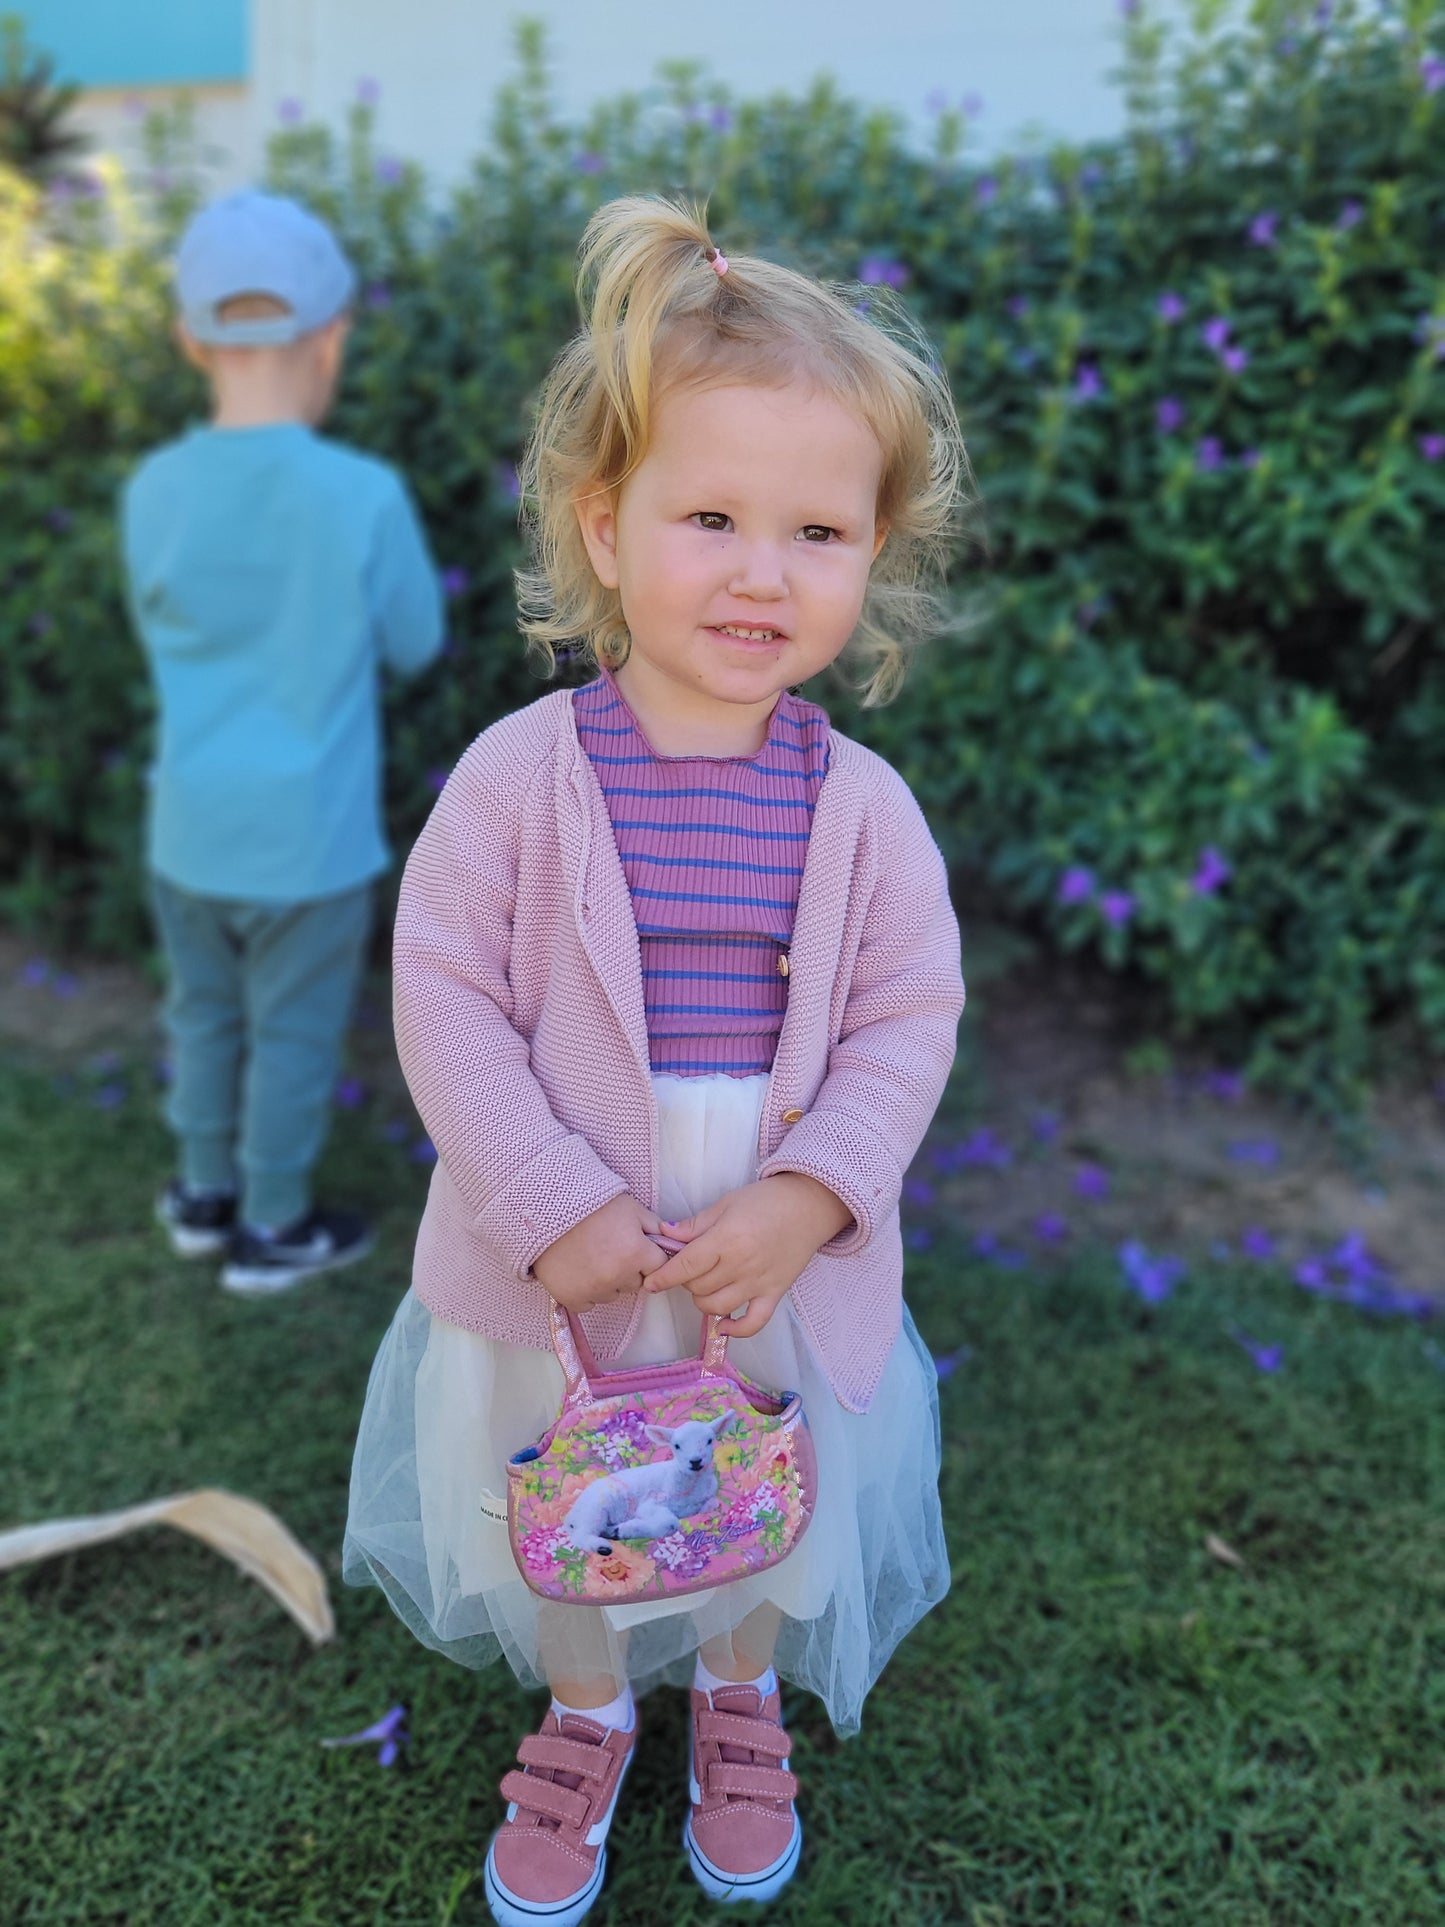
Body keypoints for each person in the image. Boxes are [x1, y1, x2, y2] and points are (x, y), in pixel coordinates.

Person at [344, 196, 967, 1925]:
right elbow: (448, 990)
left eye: (819, 531)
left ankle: (741, 1690)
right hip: (568, 1226)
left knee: (764, 1470)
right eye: (712, 517)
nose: (765, 571)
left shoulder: (859, 809)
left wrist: (817, 1189)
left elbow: (912, 1012)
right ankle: (591, 1698)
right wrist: (541, 1194)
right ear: (603, 528)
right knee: (564, 1466)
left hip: (765, 1229)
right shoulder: (522, 777)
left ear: (873, 554)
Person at [121, 190, 443, 1294]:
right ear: (330, 338)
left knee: (201, 1013)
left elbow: (159, 624)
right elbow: (416, 642)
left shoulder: (153, 490)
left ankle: (203, 1192)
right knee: (292, 1034)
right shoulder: (360, 494)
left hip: (188, 826)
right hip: (309, 837)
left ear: (187, 338)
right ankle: (271, 1222)